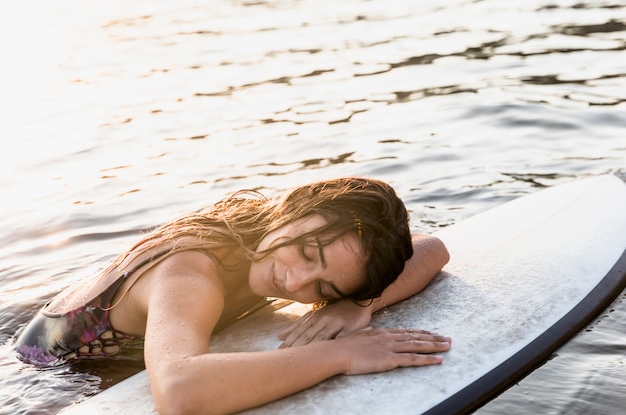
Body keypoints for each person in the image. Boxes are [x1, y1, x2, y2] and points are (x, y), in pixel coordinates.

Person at [15, 177, 451, 415]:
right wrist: (343, 355)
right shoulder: (191, 271)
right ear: (292, 209)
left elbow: (432, 248)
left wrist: (359, 302)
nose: (296, 283)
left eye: (323, 287)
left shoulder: (265, 240)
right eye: (304, 252)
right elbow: (179, 393)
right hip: (47, 377)